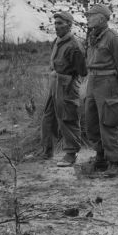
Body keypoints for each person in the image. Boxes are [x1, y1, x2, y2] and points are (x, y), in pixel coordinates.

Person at [85, 4, 118, 175]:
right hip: (93, 81)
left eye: (91, 15)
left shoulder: (113, 38)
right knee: (92, 121)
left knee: (108, 122)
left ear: (102, 18)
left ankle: (114, 161)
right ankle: (100, 156)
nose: (88, 18)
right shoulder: (92, 37)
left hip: (107, 82)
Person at [41, 11, 87, 166]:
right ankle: (46, 152)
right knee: (48, 117)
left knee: (68, 118)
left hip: (67, 86)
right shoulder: (57, 41)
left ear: (69, 24)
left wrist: (69, 80)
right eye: (55, 23)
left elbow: (82, 71)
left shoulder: (74, 46)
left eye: (60, 23)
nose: (57, 26)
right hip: (55, 84)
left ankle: (70, 154)